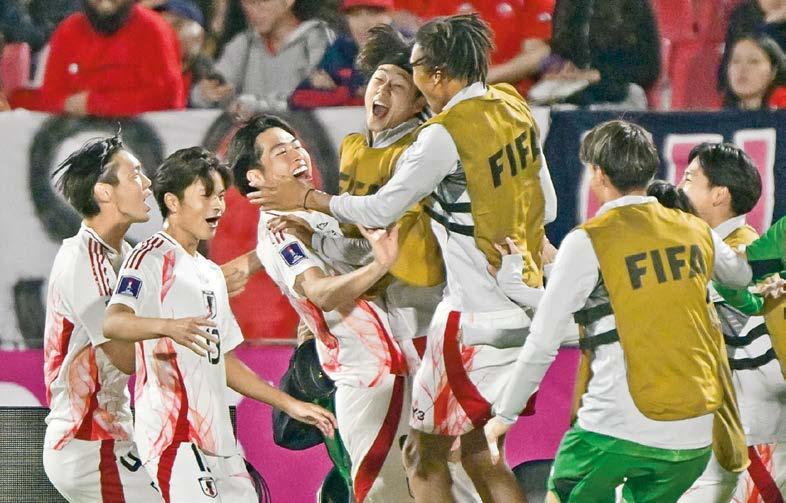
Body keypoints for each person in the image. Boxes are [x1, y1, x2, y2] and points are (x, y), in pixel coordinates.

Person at [254, 13, 556, 501]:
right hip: (490, 314)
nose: (386, 88)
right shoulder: (508, 104)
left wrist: (310, 207)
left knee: (429, 460)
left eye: (405, 78)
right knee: (472, 456)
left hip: (437, 325)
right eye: (380, 79)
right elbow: (549, 208)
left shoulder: (431, 142)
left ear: (431, 80)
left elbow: (380, 227)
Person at [484, 120, 756, 502]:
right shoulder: (695, 230)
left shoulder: (590, 238)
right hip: (693, 438)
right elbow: (741, 275)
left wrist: (504, 415)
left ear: (598, 174)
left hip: (616, 428)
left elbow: (544, 339)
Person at [102, 147, 336, 502]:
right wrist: (168, 327)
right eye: (206, 195)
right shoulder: (148, 257)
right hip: (173, 436)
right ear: (173, 202)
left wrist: (288, 403)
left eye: (221, 196)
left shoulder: (209, 272)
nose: (218, 206)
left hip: (219, 442)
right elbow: (114, 321)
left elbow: (222, 360)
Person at [42, 134, 162, 502]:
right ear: (103, 192)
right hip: (87, 445)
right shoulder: (84, 261)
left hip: (114, 435)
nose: (147, 183)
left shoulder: (125, 254)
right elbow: (125, 357)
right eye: (135, 175)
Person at [674, 143, 786, 501]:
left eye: (689, 179)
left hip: (759, 432)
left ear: (719, 194)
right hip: (728, 427)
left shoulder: (742, 251)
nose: (678, 188)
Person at [21, 0, 184, 116]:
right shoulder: (68, 30)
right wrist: (68, 105)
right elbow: (49, 97)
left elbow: (168, 99)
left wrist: (96, 104)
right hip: (76, 139)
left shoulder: (154, 31)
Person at [191, 0, 335, 113]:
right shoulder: (244, 43)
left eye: (263, 1)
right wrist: (206, 94)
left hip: (307, 135)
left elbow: (316, 95)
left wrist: (256, 105)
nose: (254, 11)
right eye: (248, 2)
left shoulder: (317, 39)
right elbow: (209, 91)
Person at [723, 34, 786, 110]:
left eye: (753, 61)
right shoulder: (721, 112)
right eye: (736, 61)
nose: (742, 69)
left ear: (773, 71)